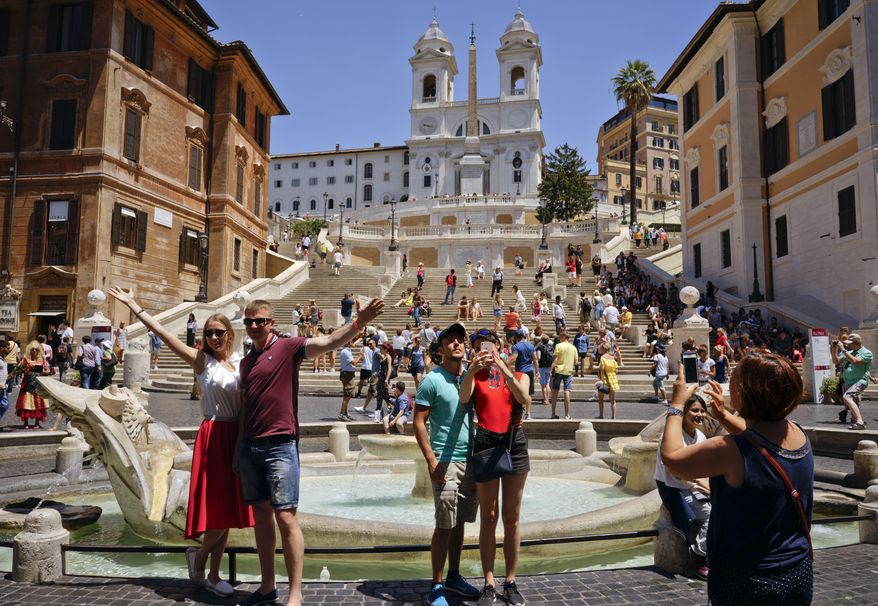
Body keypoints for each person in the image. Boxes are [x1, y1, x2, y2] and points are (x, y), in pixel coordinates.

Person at [236, 296, 383, 606]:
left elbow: (329, 341)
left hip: (280, 444)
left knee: (286, 517)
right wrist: (239, 449)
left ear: (271, 323)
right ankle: (266, 586)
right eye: (248, 321)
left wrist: (360, 322)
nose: (253, 326)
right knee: (261, 517)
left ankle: (295, 594)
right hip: (250, 446)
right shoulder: (246, 361)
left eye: (259, 321)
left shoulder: (288, 347)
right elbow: (245, 408)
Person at [108, 287, 253, 598]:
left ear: (229, 334)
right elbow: (162, 332)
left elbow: (246, 407)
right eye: (209, 332)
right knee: (218, 510)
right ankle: (201, 562)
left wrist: (242, 445)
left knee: (227, 511)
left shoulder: (239, 363)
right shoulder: (201, 361)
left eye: (219, 332)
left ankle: (212, 574)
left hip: (235, 436)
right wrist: (135, 304)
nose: (214, 337)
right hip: (213, 435)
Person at [662, 353, 813, 605]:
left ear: (744, 392)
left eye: (735, 377)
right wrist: (722, 416)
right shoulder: (797, 432)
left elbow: (673, 459)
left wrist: (676, 404)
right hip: (797, 570)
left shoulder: (730, 449)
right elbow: (759, 440)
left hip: (747, 578)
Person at [459, 328, 530, 606]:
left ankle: (510, 580)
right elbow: (465, 399)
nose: (484, 350)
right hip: (486, 441)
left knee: (511, 516)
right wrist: (470, 371)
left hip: (514, 443)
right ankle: (488, 582)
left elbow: (524, 398)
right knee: (488, 517)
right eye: (477, 347)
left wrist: (503, 367)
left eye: (488, 345)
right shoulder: (475, 377)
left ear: (499, 346)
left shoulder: (519, 375)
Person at [413, 322, 481, 606]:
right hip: (445, 460)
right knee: (443, 525)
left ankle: (453, 575)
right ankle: (437, 584)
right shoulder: (433, 380)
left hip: (471, 460)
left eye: (460, 340)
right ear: (440, 349)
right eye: (450, 340)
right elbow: (418, 421)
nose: (457, 343)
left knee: (460, 521)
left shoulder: (469, 377)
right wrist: (431, 460)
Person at [830, 333, 873, 430]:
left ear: (857, 343)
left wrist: (843, 350)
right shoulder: (850, 352)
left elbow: (855, 361)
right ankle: (855, 422)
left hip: (859, 381)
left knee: (847, 397)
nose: (848, 345)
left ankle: (860, 422)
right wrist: (834, 349)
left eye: (850, 343)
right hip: (847, 381)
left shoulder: (867, 353)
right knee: (852, 403)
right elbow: (836, 361)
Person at [12, 342, 48, 429]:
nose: (34, 351)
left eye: (36, 349)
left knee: (38, 404)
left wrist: (44, 370)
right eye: (33, 349)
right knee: (26, 404)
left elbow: (46, 371)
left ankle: (37, 422)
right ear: (30, 351)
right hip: (27, 385)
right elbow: (17, 370)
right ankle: (26, 422)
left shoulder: (41, 360)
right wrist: (24, 370)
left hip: (38, 385)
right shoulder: (25, 360)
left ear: (39, 351)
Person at [549, 329, 577, 420]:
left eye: (560, 336)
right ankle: (567, 414)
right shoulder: (573, 348)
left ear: (564, 337)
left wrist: (551, 369)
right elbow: (576, 362)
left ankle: (553, 413)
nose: (559, 338)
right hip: (568, 371)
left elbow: (555, 360)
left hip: (558, 371)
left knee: (555, 392)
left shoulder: (558, 346)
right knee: (567, 391)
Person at [508, 330, 535, 420]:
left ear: (516, 337)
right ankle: (528, 413)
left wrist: (506, 365)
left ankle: (518, 412)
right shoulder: (531, 345)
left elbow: (513, 358)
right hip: (530, 370)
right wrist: (537, 370)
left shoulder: (516, 346)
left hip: (521, 372)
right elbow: (535, 358)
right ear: (524, 336)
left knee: (518, 392)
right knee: (529, 393)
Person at [596, 344, 619, 419]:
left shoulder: (602, 357)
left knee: (600, 399)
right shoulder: (612, 358)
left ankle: (601, 415)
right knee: (612, 400)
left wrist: (596, 368)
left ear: (603, 349)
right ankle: (613, 416)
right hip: (613, 380)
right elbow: (616, 370)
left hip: (605, 380)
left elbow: (602, 368)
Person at [337, 340, 356, 422]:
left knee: (348, 395)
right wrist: (360, 356)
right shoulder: (345, 352)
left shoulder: (348, 350)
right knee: (347, 395)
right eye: (352, 340)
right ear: (348, 342)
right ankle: (342, 413)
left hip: (348, 374)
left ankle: (345, 413)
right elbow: (354, 362)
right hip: (347, 374)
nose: (353, 342)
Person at [534, 334, 554, 409]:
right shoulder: (551, 347)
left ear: (541, 340)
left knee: (543, 384)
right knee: (547, 383)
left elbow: (538, 357)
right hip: (549, 366)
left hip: (542, 366)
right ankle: (548, 399)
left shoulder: (539, 347)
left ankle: (545, 399)